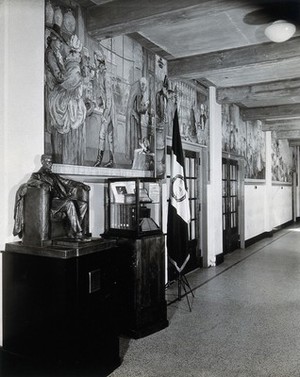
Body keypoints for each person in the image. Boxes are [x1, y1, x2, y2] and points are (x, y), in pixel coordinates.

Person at [13, 154, 90, 241]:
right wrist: (42, 184)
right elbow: (30, 182)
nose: (50, 164)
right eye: (48, 162)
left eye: (51, 162)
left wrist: (82, 185)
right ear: (42, 162)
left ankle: (71, 230)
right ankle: (78, 233)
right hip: (48, 203)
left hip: (59, 201)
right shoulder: (37, 175)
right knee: (69, 204)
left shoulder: (54, 176)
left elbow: (67, 182)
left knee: (83, 204)